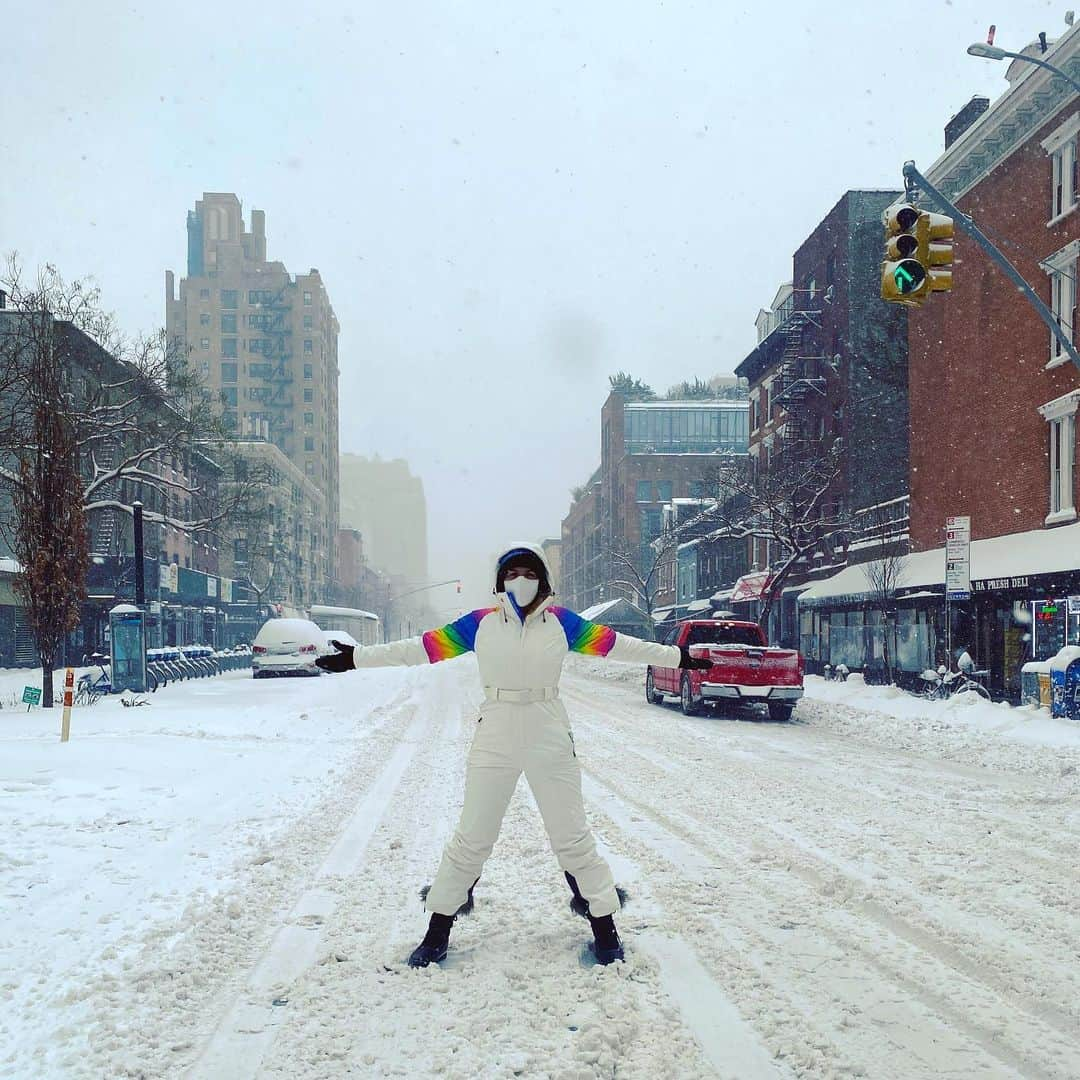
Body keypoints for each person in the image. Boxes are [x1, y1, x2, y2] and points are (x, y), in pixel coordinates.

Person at [316, 541, 710, 968]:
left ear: (543, 580)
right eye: (511, 574)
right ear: (499, 582)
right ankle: (436, 933)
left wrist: (679, 655)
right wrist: (357, 658)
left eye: (528, 573)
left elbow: (623, 646)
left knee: (572, 835)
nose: (520, 581)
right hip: (496, 730)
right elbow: (419, 648)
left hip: (548, 729)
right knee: (472, 836)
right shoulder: (480, 624)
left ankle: (605, 929)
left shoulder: (563, 623)